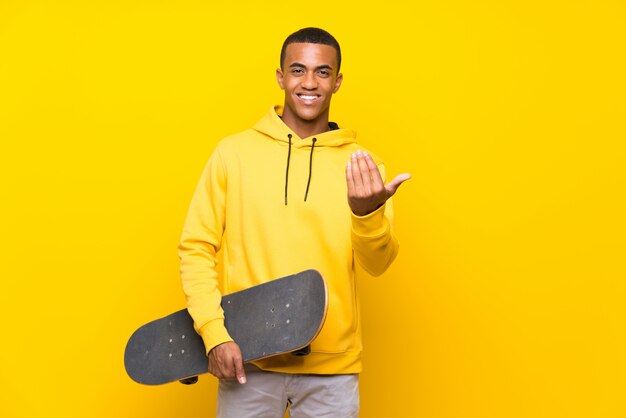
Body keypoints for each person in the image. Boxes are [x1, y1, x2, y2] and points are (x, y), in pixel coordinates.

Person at [178, 27, 410, 417]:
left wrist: (366, 214)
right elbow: (196, 247)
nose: (309, 83)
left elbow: (378, 264)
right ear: (280, 77)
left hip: (332, 371)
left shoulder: (361, 165)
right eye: (298, 70)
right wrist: (214, 335)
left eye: (322, 73)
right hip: (247, 359)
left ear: (337, 82)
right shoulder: (233, 154)